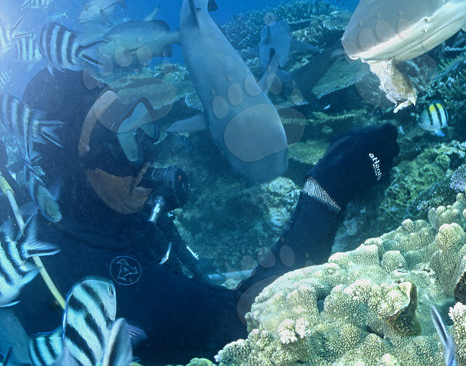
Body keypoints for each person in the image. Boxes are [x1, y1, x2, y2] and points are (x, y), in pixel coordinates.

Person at [8, 68, 399, 364]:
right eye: (120, 144)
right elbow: (246, 325)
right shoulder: (96, 268)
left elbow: (195, 286)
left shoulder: (104, 220)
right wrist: (328, 187)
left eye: (141, 131)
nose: (145, 156)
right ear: (75, 165)